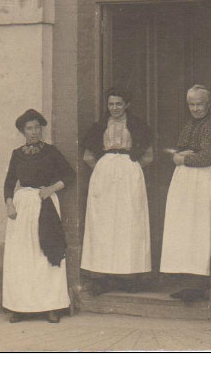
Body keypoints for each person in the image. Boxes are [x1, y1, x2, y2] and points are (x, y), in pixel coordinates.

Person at [2, 109, 75, 324]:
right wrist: (9, 203)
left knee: (46, 254)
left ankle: (51, 306)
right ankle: (19, 307)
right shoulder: (17, 154)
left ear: (41, 129)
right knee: (22, 257)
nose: (33, 132)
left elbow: (69, 175)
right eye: (29, 129)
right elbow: (8, 183)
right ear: (23, 131)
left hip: (45, 205)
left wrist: (51, 189)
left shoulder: (51, 152)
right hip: (22, 206)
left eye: (37, 128)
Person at [80, 88, 153, 294]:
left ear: (126, 105)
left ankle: (129, 276)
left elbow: (148, 156)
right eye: (111, 104)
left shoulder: (138, 126)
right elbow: (87, 156)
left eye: (119, 104)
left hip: (129, 174)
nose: (114, 108)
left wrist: (130, 171)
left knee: (128, 223)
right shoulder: (100, 127)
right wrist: (104, 171)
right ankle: (102, 277)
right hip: (104, 176)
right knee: (103, 224)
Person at [160, 85, 211, 303]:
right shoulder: (189, 125)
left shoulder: (209, 126)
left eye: (199, 104)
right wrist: (182, 154)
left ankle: (198, 285)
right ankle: (188, 283)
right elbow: (181, 148)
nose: (195, 108)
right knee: (183, 229)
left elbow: (207, 157)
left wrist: (183, 158)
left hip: (200, 180)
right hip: (186, 181)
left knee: (197, 229)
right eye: (192, 104)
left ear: (208, 104)